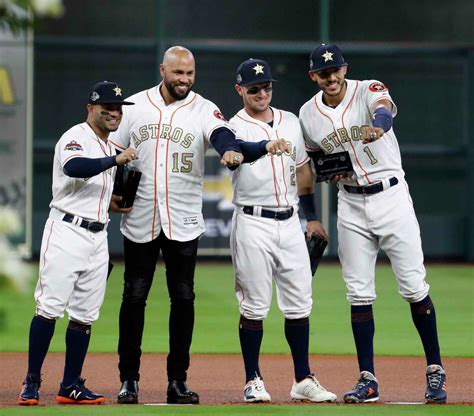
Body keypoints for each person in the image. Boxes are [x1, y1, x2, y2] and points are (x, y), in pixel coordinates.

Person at [299, 44, 447, 404]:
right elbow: (314, 162)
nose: (331, 77)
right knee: (358, 293)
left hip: (391, 196)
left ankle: (435, 371)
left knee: (414, 286)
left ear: (345, 69)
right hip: (349, 202)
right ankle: (368, 379)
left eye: (336, 70)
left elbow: (384, 111)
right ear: (313, 77)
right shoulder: (308, 113)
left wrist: (378, 128)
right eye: (324, 72)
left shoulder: (369, 89)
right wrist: (317, 201)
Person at [109, 46, 246, 405]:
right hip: (139, 216)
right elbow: (110, 149)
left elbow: (220, 132)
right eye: (178, 73)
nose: (184, 80)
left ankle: (177, 381)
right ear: (163, 70)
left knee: (183, 298)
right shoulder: (135, 106)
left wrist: (229, 149)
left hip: (183, 219)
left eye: (190, 74)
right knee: (134, 296)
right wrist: (110, 192)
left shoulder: (202, 107)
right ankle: (129, 380)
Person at [17, 81, 137, 406]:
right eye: (107, 107)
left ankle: (70, 384)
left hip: (98, 237)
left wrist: (112, 201)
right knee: (50, 307)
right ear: (91, 108)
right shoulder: (75, 137)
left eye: (118, 108)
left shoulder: (109, 145)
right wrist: (116, 161)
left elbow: (92, 187)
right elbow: (74, 168)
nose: (114, 112)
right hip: (66, 231)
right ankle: (31, 382)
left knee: (85, 314)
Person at [228, 58, 337, 403]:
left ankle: (303, 379)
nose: (262, 93)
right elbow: (236, 152)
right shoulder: (234, 126)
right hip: (253, 221)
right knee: (255, 305)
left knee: (299, 302)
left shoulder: (290, 121)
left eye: (267, 86)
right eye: (254, 88)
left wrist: (312, 217)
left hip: (290, 221)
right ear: (240, 90)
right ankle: (252, 379)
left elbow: (304, 171)